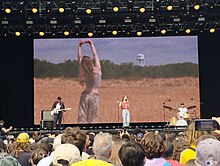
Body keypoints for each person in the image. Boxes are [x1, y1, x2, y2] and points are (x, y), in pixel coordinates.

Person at [77, 39, 102, 123]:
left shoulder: (84, 72)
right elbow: (95, 55)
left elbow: (79, 59)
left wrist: (79, 46)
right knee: (93, 119)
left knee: (82, 119)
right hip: (95, 96)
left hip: (85, 95)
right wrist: (91, 44)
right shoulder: (97, 70)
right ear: (91, 62)